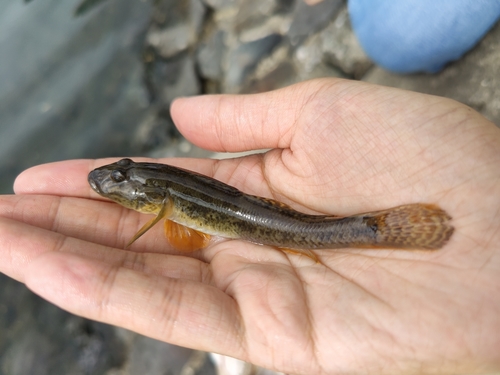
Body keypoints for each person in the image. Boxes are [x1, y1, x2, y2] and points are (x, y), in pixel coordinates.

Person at [0, 78, 499, 374]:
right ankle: (374, 229)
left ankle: (378, 229)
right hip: (263, 214)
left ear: (151, 197)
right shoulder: (160, 187)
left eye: (118, 181)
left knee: (328, 230)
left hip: (267, 218)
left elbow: (179, 225)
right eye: (114, 184)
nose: (111, 182)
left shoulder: (160, 202)